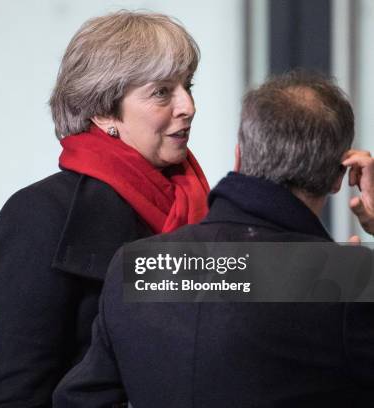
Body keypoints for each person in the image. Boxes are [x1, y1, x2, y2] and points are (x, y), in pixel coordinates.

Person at [53, 71, 374, 407]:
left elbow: (80, 399)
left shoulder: (139, 266)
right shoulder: (343, 278)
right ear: (339, 177)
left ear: (239, 157)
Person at [0, 11, 210, 407]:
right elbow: (15, 394)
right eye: (161, 92)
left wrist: (352, 260)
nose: (187, 105)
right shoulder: (41, 214)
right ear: (104, 112)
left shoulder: (205, 207)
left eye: (187, 86)